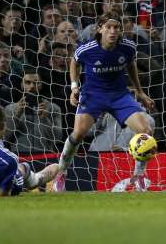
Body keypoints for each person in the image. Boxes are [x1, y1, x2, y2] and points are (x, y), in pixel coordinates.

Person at [54, 12, 155, 191]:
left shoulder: (128, 47)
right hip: (93, 95)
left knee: (145, 130)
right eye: (108, 27)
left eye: (116, 27)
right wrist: (74, 87)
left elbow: (131, 65)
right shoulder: (87, 49)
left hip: (119, 95)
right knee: (78, 134)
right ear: (100, 29)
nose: (113, 31)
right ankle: (61, 172)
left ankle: (139, 175)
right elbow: (74, 62)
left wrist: (140, 92)